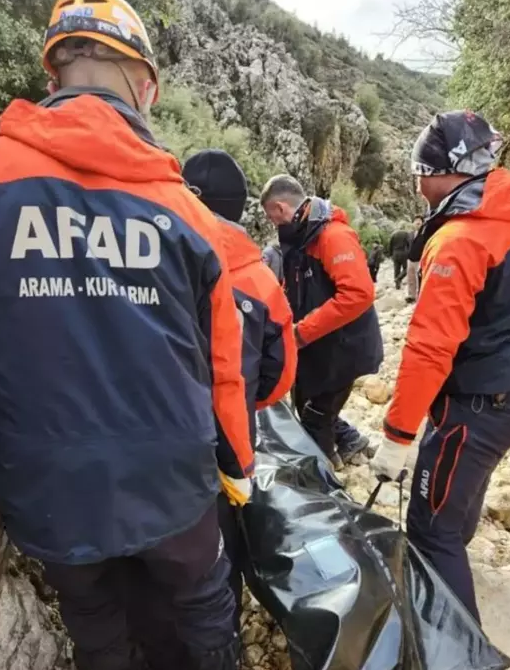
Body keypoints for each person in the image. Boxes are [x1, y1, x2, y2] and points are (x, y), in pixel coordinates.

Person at [0, 0, 255, 670]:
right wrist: (239, 467)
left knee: (91, 606)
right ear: (145, 85)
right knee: (202, 604)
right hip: (168, 472)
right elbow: (224, 366)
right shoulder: (185, 212)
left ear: (55, 70)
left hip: (44, 473)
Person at [371, 110, 510, 670]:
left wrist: (399, 434)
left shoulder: (457, 241)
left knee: (429, 527)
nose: (416, 182)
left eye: (419, 171)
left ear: (440, 172)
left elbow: (429, 346)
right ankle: (455, 551)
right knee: (461, 492)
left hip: (475, 403)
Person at [182, 148, 297, 617]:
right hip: (232, 435)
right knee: (223, 543)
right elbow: (282, 371)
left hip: (162, 430)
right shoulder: (260, 279)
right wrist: (248, 398)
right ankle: (223, 634)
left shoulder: (158, 259)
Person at [260, 174, 383, 464]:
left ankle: (326, 485)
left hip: (344, 347)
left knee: (317, 414)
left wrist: (301, 333)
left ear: (280, 208)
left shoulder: (332, 236)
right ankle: (350, 442)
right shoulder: (302, 240)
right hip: (323, 344)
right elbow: (293, 290)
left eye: (271, 218)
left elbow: (357, 294)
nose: (273, 224)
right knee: (305, 399)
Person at [405, 215, 425, 303]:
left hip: (420, 260)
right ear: (413, 223)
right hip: (410, 259)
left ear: (422, 223)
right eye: (416, 220)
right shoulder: (410, 234)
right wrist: (407, 254)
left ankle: (419, 296)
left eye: (419, 221)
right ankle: (411, 295)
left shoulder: (424, 234)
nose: (418, 222)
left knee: (419, 278)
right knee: (410, 278)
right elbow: (406, 245)